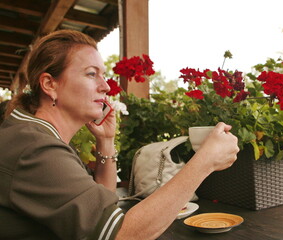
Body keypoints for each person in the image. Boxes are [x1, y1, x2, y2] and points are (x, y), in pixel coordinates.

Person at [0, 29, 239, 240]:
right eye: (91, 74)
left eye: (102, 75)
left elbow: (100, 207)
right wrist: (204, 162)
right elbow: (121, 234)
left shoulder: (34, 134)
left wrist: (105, 141)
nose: (105, 86)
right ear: (50, 84)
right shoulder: (36, 149)